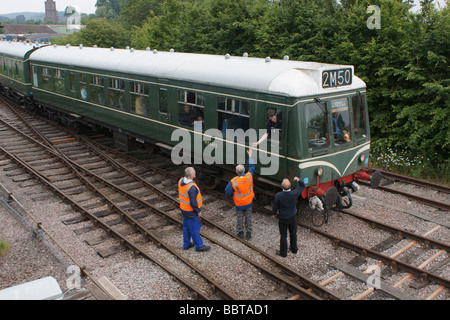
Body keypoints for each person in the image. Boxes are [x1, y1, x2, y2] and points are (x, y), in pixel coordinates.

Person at [272, 177, 305, 257]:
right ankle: (294, 249)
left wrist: (274, 214)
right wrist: (298, 180)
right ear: (290, 186)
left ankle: (283, 253)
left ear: (282, 187)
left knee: (283, 235)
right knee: (293, 233)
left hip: (283, 218)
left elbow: (275, 207)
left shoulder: (278, 195)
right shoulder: (294, 193)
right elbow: (303, 186)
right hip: (292, 217)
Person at [178, 167, 210, 252]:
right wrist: (198, 211)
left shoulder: (181, 181)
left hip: (184, 209)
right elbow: (193, 203)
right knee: (194, 229)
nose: (195, 173)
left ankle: (186, 244)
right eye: (194, 172)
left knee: (186, 227)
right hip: (190, 211)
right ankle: (199, 246)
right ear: (191, 175)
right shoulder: (192, 187)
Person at [225, 149, 255, 239]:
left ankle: (240, 232)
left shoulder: (233, 181)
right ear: (244, 170)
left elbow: (227, 191)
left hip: (239, 203)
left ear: (236, 172)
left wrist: (229, 196)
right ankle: (249, 233)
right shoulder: (249, 176)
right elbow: (252, 167)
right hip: (248, 202)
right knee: (248, 217)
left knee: (239, 217)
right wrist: (250, 155)